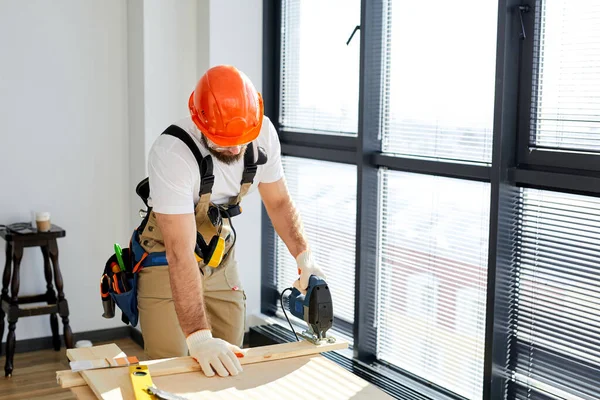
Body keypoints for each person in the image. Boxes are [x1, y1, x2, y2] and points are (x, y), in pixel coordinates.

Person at [133, 65, 325, 378]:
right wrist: (198, 338)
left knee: (231, 358)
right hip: (166, 255)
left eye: (242, 138)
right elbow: (179, 253)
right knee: (170, 367)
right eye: (224, 140)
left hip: (219, 251)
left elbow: (278, 202)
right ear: (199, 121)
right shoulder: (172, 152)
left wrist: (305, 259)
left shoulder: (262, 134)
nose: (235, 148)